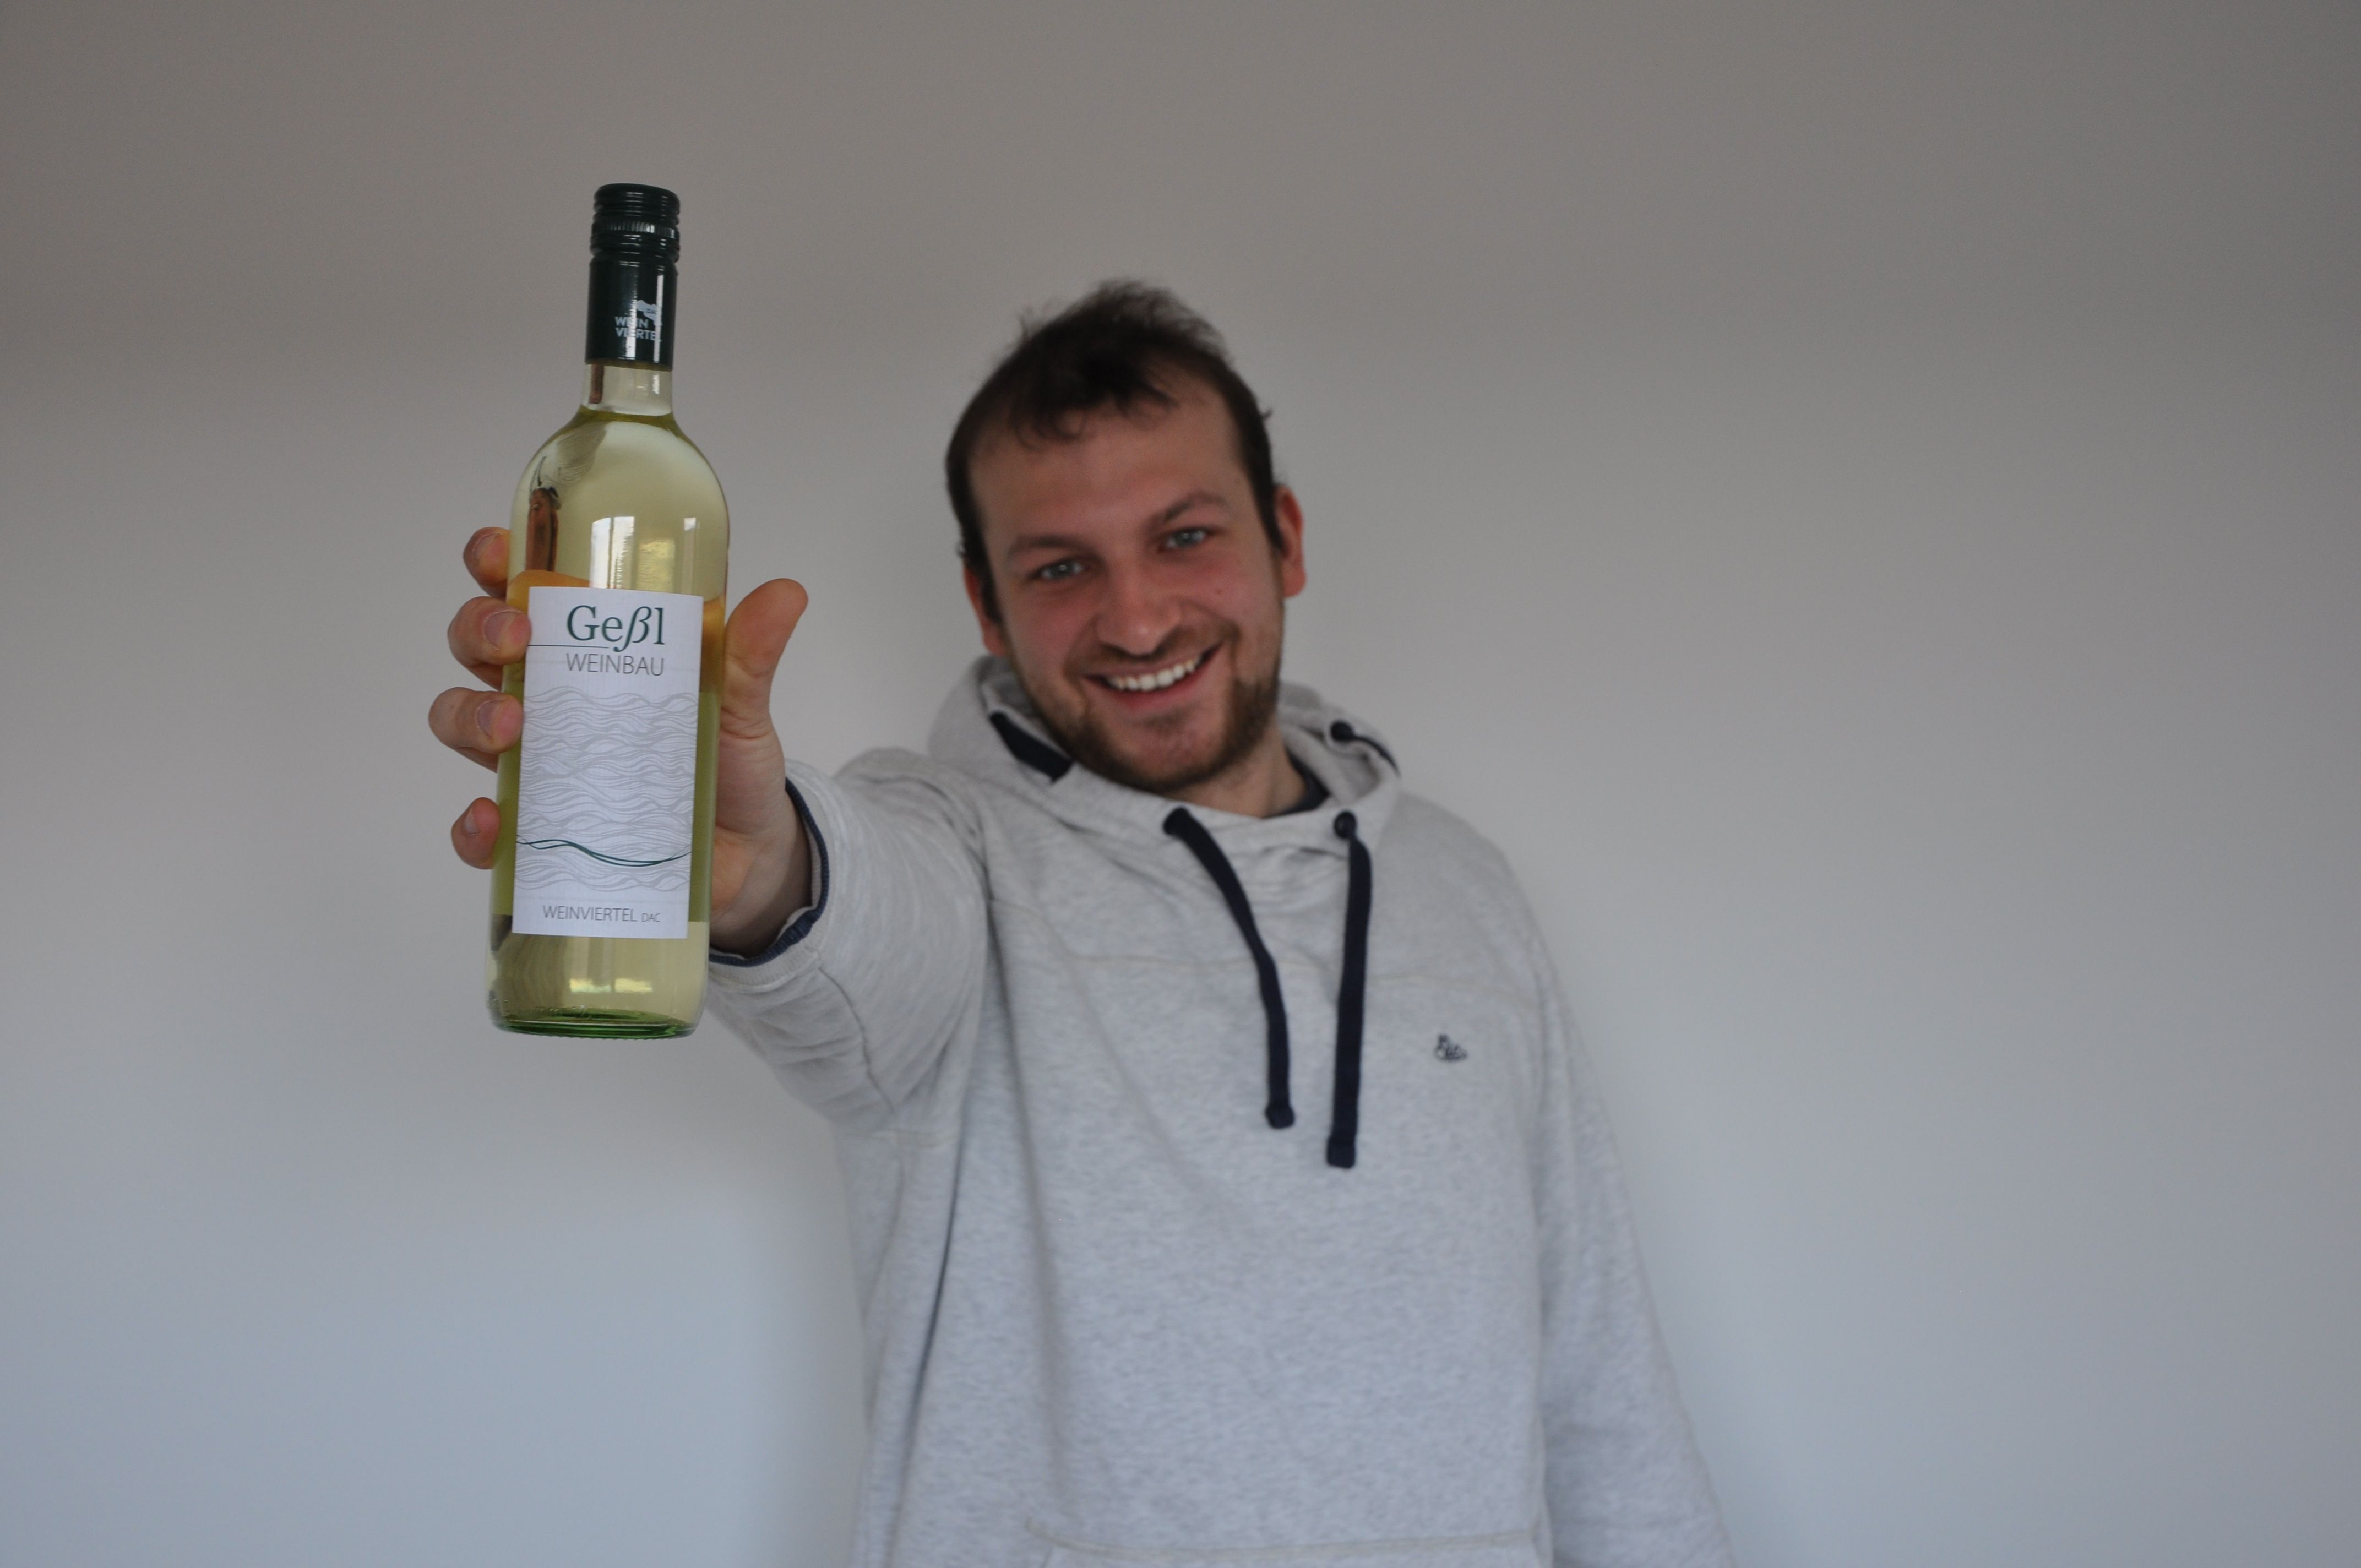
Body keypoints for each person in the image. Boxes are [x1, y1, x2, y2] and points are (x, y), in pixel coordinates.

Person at [431, 282, 1734, 1568]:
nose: (1135, 616)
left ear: (1283, 535)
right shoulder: (948, 844)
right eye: (1060, 567)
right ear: (987, 606)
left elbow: (1600, 1379)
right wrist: (767, 864)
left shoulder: (1465, 888)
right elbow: (859, 926)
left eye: (1182, 536)